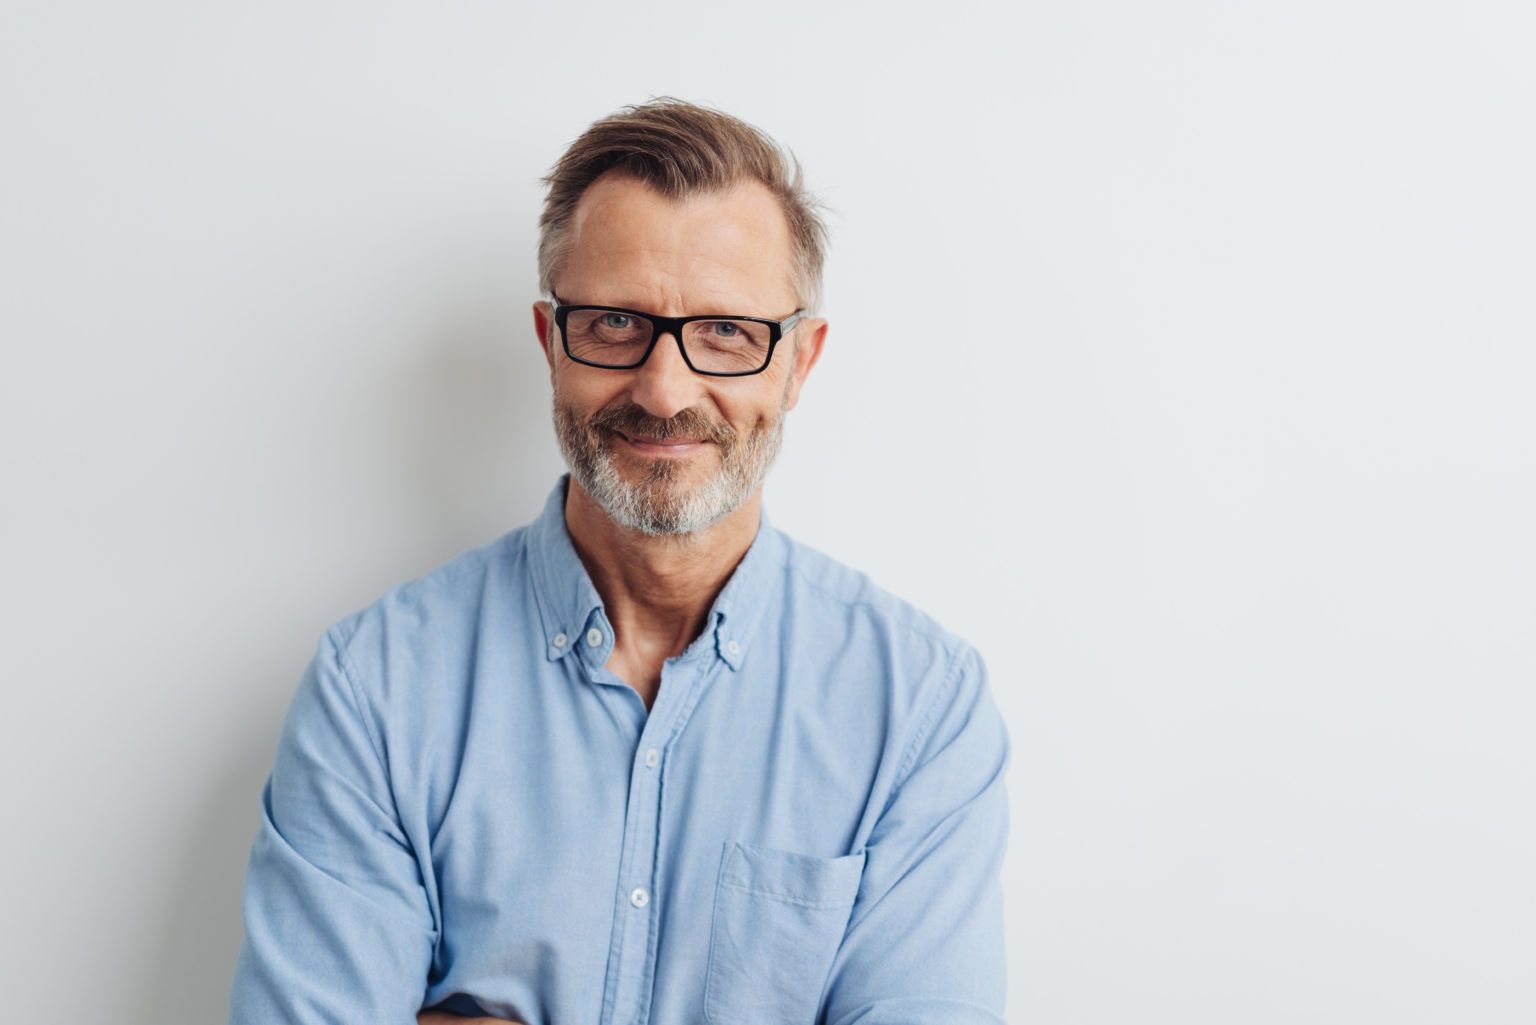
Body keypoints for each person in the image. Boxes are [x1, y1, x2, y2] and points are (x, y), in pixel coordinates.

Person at [228, 96, 1011, 1025]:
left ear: (800, 363)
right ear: (551, 341)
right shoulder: (378, 691)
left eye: (727, 331)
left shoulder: (919, 710)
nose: (666, 388)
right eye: (614, 323)